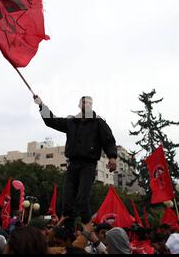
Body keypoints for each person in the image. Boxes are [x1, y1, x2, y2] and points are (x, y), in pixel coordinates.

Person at [34, 95, 117, 230]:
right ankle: (68, 232)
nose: (88, 104)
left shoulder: (98, 122)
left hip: (88, 165)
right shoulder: (71, 122)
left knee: (82, 199)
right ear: (80, 105)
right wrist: (41, 106)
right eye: (85, 102)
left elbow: (109, 140)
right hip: (72, 165)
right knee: (67, 202)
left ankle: (88, 229)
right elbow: (52, 121)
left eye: (90, 102)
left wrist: (112, 157)